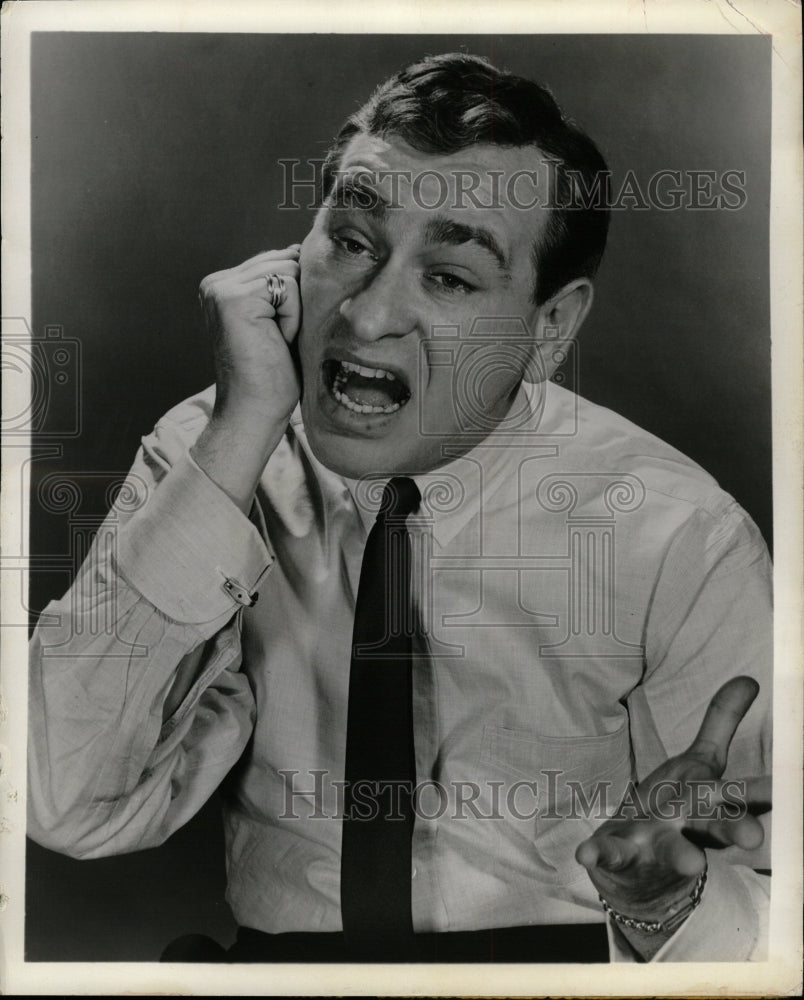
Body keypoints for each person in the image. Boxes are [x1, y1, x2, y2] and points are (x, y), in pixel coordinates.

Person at [27, 53, 772, 964]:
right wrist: (237, 437)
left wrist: (668, 903)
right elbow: (56, 801)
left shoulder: (678, 529)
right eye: (349, 239)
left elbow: (775, 922)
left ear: (550, 328)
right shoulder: (213, 452)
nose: (368, 316)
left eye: (450, 277)